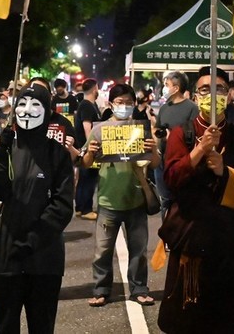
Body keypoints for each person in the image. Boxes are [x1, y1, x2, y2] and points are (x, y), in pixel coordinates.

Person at [157, 66, 234, 333]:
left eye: (219, 89)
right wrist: (200, 150)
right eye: (205, 90)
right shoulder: (181, 134)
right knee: (190, 320)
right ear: (196, 97)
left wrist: (224, 172)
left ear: (228, 96)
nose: (212, 95)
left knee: (230, 318)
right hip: (192, 241)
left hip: (230, 243)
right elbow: (171, 178)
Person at [0, 84, 74, 333]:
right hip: (6, 256)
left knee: (42, 326)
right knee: (6, 326)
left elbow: (62, 206)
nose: (27, 110)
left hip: (44, 259)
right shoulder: (7, 149)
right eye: (22, 104)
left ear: (47, 111)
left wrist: (31, 241)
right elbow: (0, 193)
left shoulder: (57, 153)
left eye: (35, 104)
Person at [83, 83, 160, 308]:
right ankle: (101, 290)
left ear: (134, 104)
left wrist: (153, 149)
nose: (124, 106)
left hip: (136, 198)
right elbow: (85, 163)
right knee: (102, 250)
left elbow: (155, 163)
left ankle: (139, 289)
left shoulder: (141, 129)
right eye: (119, 102)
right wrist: (91, 152)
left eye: (128, 103)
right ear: (110, 104)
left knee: (139, 251)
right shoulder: (100, 130)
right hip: (108, 199)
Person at [154, 71, 198, 222]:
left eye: (166, 85)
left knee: (181, 200)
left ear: (176, 88)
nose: (164, 88)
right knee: (165, 201)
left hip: (181, 162)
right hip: (162, 161)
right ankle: (166, 231)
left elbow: (194, 135)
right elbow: (157, 129)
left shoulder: (192, 108)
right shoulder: (164, 108)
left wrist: (173, 137)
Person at [73, 78, 101, 220]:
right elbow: (87, 128)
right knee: (89, 178)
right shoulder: (87, 106)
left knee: (84, 179)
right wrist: (92, 146)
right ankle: (86, 209)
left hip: (85, 147)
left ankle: (80, 207)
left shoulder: (88, 105)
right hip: (87, 148)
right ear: (95, 88)